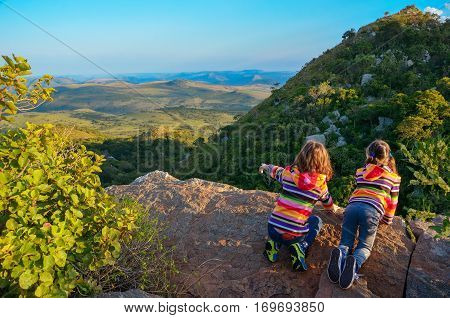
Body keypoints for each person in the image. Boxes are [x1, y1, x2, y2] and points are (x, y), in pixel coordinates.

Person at [327, 139, 401, 289]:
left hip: (352, 207)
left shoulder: (360, 172)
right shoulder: (394, 178)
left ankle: (341, 254)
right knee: (365, 247)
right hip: (372, 211)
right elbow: (393, 203)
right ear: (388, 157)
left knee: (345, 242)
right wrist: (387, 220)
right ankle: (354, 262)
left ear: (369, 154)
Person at [260, 140, 336, 271]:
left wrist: (266, 166)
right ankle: (301, 246)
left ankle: (274, 243)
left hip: (272, 228)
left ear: (301, 156)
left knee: (279, 224)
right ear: (323, 162)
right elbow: (327, 202)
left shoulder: (288, 174)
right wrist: (331, 210)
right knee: (316, 221)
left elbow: (275, 170)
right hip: (295, 235)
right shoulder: (320, 184)